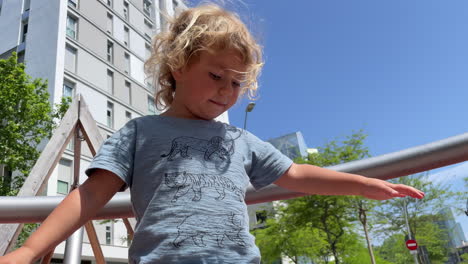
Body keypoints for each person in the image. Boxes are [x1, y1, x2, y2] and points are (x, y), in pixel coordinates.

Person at [0, 4, 424, 264]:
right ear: (178, 67)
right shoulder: (141, 133)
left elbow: (296, 174)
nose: (226, 90)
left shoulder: (240, 142)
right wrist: (26, 251)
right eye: (216, 75)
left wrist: (363, 184)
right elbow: (89, 195)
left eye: (237, 83)